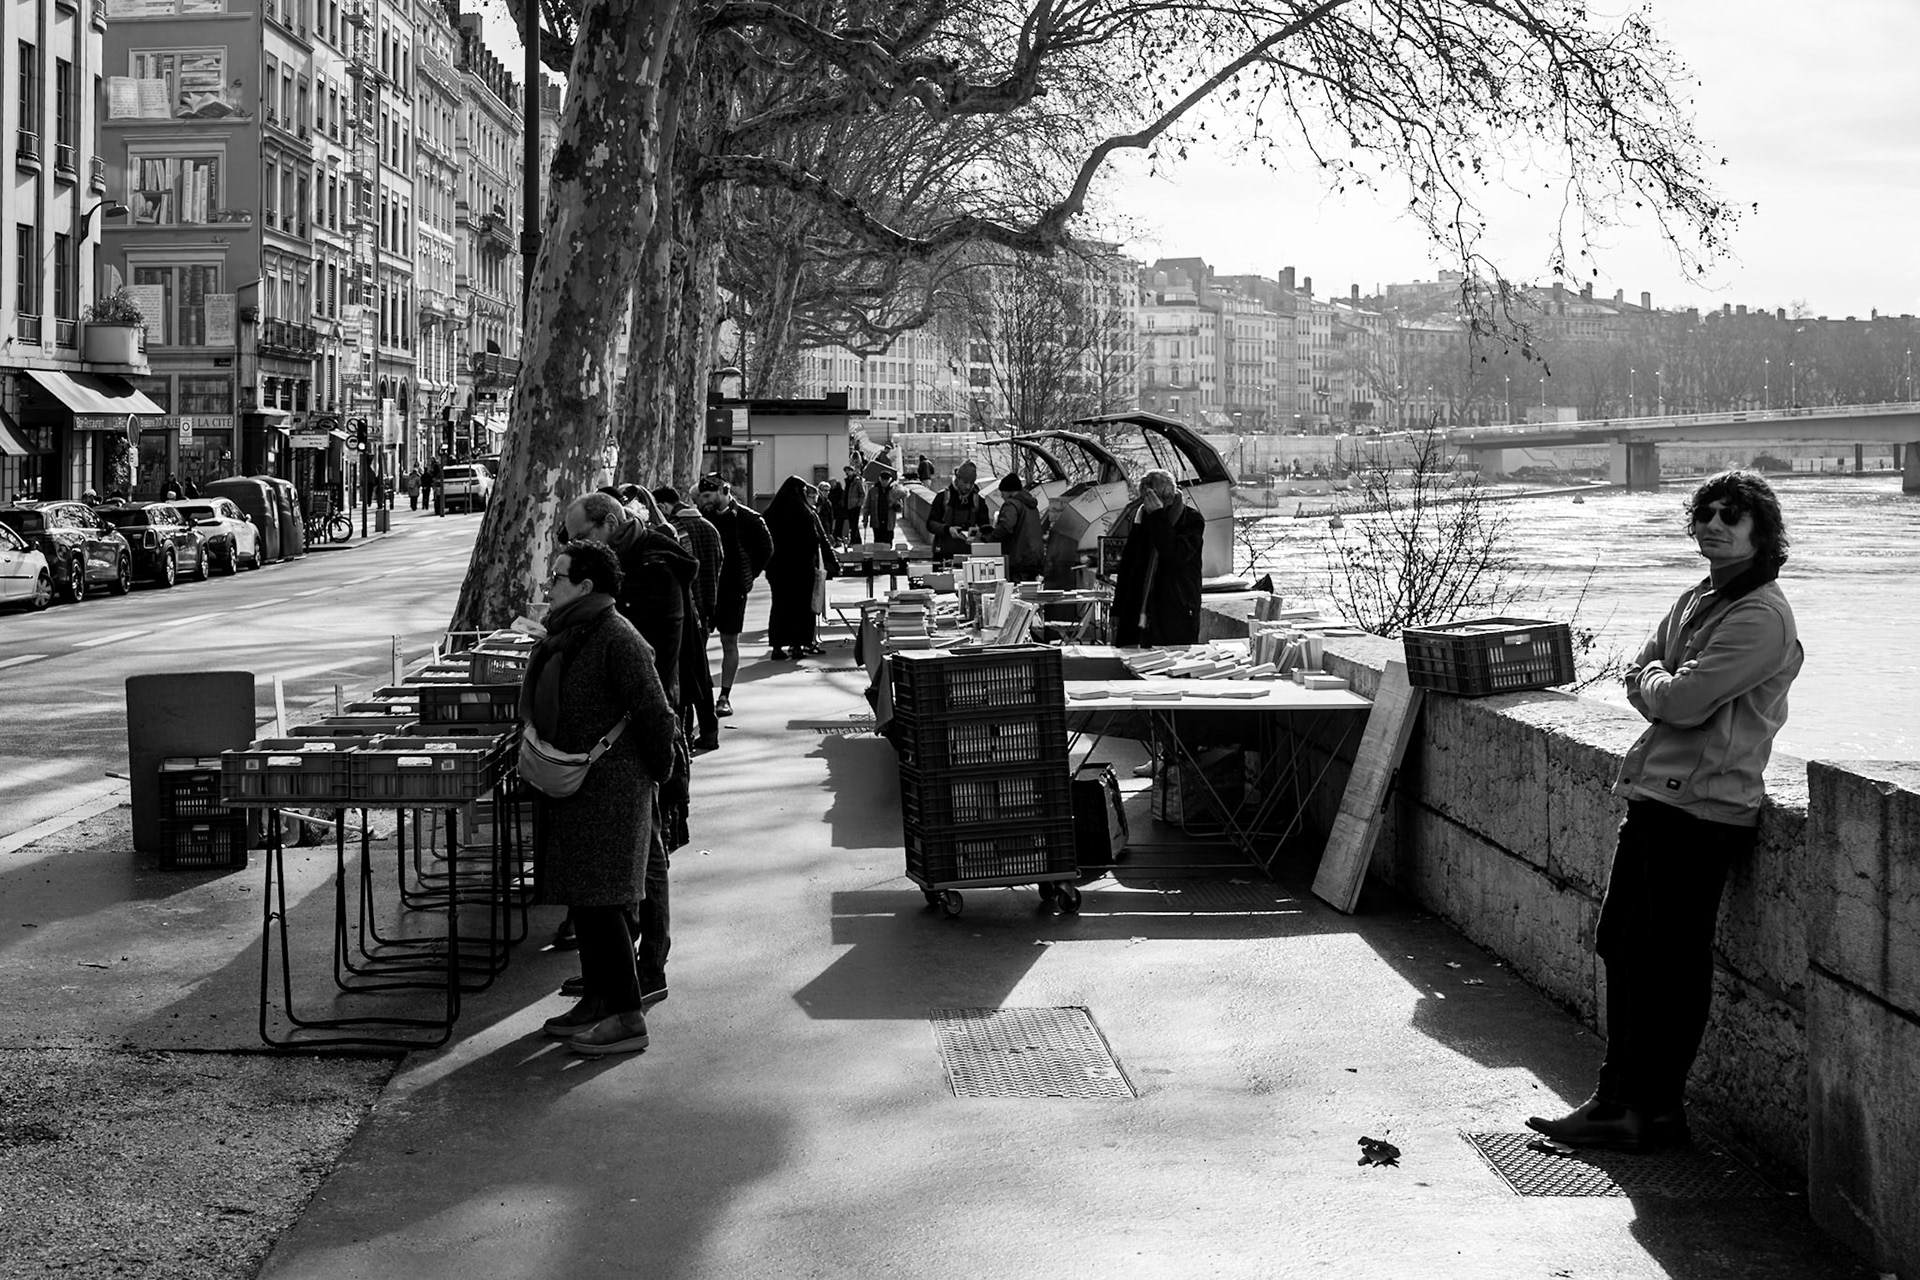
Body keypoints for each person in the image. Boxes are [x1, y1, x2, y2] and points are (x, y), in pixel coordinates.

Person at [1528, 470, 1802, 1152]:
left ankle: (1653, 1110)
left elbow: (1675, 700)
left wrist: (1656, 682)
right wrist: (1658, 681)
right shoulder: (1697, 600)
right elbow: (1648, 677)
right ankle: (1616, 1101)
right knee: (1624, 949)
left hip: (1704, 809)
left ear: (1760, 533)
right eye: (1704, 513)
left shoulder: (1760, 614)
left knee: (1670, 964)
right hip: (1660, 796)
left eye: (1730, 516)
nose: (1712, 524)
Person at [522, 539, 678, 1055]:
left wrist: (654, 777)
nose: (550, 586)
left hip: (612, 788)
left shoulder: (617, 636)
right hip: (578, 784)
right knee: (586, 902)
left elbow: (657, 715)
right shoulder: (574, 631)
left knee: (605, 902)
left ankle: (628, 1017)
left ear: (585, 587)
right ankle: (596, 1000)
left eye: (558, 578)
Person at [564, 490, 695, 704]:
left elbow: (628, 642)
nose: (578, 549)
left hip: (649, 702)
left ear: (611, 523)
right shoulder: (617, 559)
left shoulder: (653, 565)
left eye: (581, 538)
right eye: (572, 544)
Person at [696, 474, 772, 717]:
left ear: (723, 490)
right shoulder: (703, 518)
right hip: (705, 590)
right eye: (702, 496)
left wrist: (749, 576)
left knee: (730, 642)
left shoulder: (749, 518)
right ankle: (704, 694)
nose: (704, 501)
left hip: (732, 590)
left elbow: (766, 549)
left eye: (708, 496)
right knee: (699, 644)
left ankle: (725, 696)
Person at [654, 484, 723, 753]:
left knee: (685, 673)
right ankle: (709, 730)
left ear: (663, 506)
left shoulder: (673, 530)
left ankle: (688, 733)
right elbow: (718, 565)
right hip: (705, 609)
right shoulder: (709, 527)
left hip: (684, 610)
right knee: (700, 672)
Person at [1110, 468, 1206, 646]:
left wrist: (1158, 518)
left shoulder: (1191, 520)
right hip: (1139, 610)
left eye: (1149, 498)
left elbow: (1175, 555)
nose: (1145, 503)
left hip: (1175, 610)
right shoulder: (1141, 518)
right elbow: (1128, 567)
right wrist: (1117, 609)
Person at [762, 475, 839, 659]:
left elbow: (762, 541)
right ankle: (798, 646)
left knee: (779, 606)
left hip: (777, 569)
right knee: (801, 607)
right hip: (801, 567)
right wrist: (833, 562)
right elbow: (818, 539)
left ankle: (777, 647)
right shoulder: (806, 513)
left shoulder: (770, 513)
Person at [927, 460, 991, 564]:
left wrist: (978, 534)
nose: (968, 487)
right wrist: (948, 529)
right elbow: (930, 524)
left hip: (968, 554)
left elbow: (986, 528)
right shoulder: (943, 497)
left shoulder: (978, 501)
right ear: (958, 479)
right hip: (943, 554)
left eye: (971, 483)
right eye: (965, 482)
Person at [990, 474, 1045, 581]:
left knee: (1017, 593)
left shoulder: (1011, 504)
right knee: (1029, 593)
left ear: (1009, 491)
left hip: (1019, 559)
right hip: (1035, 559)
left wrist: (990, 538)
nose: (1002, 496)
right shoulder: (1031, 506)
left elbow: (1006, 526)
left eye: (1002, 492)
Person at [863, 468, 901, 546]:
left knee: (888, 542)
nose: (884, 482)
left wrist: (895, 503)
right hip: (877, 521)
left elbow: (899, 508)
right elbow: (867, 506)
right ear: (880, 479)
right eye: (883, 480)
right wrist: (865, 518)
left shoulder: (894, 491)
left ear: (890, 480)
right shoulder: (873, 490)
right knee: (878, 542)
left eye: (886, 480)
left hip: (889, 522)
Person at [840, 465, 866, 543]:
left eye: (848, 471)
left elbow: (862, 493)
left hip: (855, 506)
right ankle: (857, 541)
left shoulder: (857, 481)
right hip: (848, 505)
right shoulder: (847, 481)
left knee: (854, 524)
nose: (847, 473)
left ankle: (854, 541)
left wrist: (859, 503)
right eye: (846, 471)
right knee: (852, 524)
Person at [818, 479, 844, 546]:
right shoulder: (816, 501)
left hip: (826, 527)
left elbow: (830, 518)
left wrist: (831, 532)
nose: (827, 492)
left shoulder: (828, 503)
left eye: (828, 490)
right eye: (825, 490)